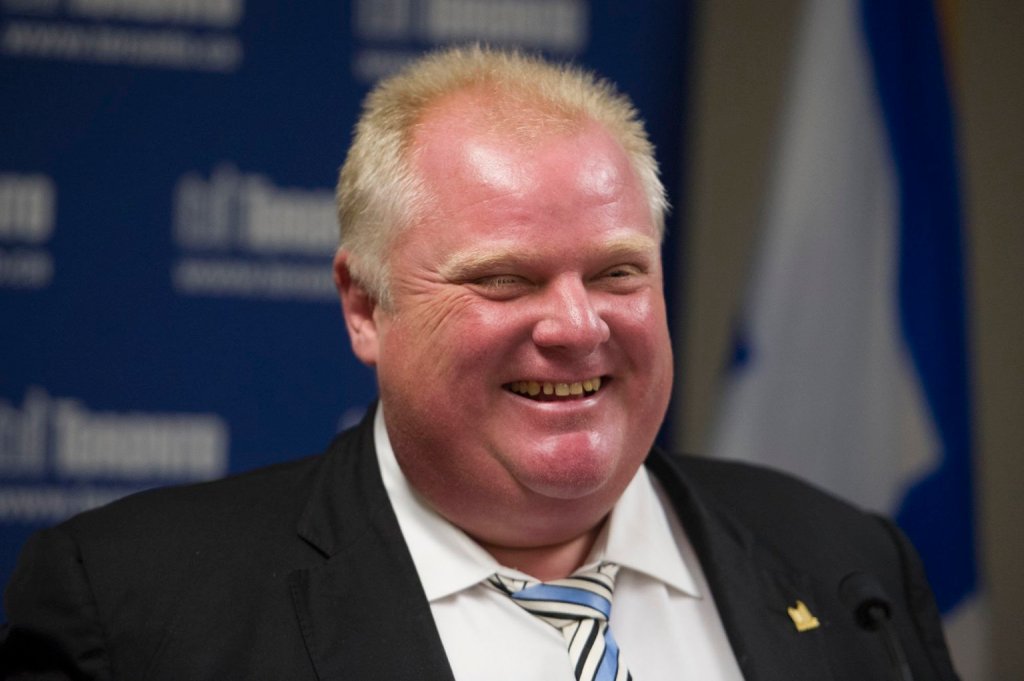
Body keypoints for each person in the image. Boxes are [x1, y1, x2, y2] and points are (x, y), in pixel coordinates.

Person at [1, 46, 958, 680]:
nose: (577, 326)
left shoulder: (848, 566)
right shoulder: (135, 611)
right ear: (365, 306)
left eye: (618, 272)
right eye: (505, 279)